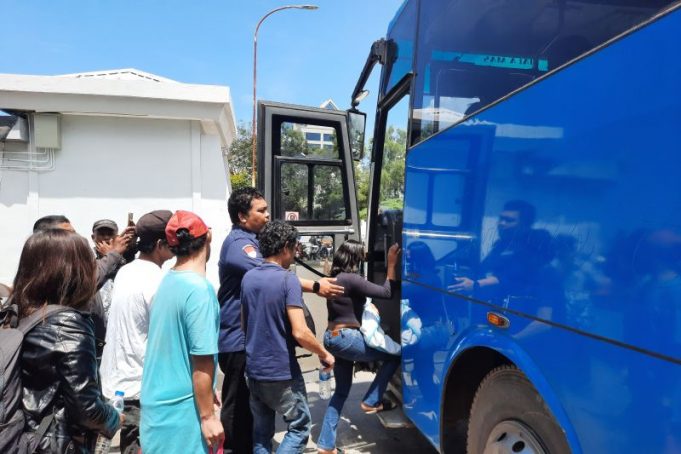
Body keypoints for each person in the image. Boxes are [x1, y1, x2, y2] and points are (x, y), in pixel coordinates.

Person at [217, 187, 343, 453]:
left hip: (250, 349)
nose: (266, 215)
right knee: (240, 413)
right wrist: (318, 286)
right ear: (242, 216)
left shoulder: (252, 252)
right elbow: (275, 279)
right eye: (260, 211)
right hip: (243, 348)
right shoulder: (242, 246)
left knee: (258, 427)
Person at [16, 229, 122, 453]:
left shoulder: (17, 314)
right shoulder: (67, 324)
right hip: (53, 444)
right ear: (74, 270)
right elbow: (86, 409)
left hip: (18, 437)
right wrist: (114, 419)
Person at [241, 220, 335, 454]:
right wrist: (324, 353)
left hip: (253, 370)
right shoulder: (287, 280)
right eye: (294, 248)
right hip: (281, 372)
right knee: (299, 429)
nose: (296, 253)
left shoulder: (249, 278)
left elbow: (245, 324)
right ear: (285, 247)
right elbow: (300, 332)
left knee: (262, 435)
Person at [140, 210, 224, 453]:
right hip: (182, 412)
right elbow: (202, 359)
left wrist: (208, 392)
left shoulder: (168, 280)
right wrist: (208, 416)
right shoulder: (199, 290)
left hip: (156, 407)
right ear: (207, 237)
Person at [100, 210, 174, 454]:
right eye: (172, 240)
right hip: (139, 386)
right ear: (160, 244)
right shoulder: (156, 280)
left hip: (117, 381)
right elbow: (165, 338)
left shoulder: (126, 271)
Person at [316, 240, 401, 454]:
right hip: (346, 338)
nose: (363, 258)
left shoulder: (334, 279)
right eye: (361, 255)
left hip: (332, 337)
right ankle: (371, 401)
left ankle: (326, 446)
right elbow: (387, 291)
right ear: (353, 257)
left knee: (341, 393)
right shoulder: (351, 279)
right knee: (393, 356)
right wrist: (391, 263)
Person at [32, 214, 133, 360]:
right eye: (69, 234)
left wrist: (128, 250)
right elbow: (87, 281)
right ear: (50, 239)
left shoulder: (72, 259)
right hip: (69, 351)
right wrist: (114, 254)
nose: (76, 237)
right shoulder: (50, 268)